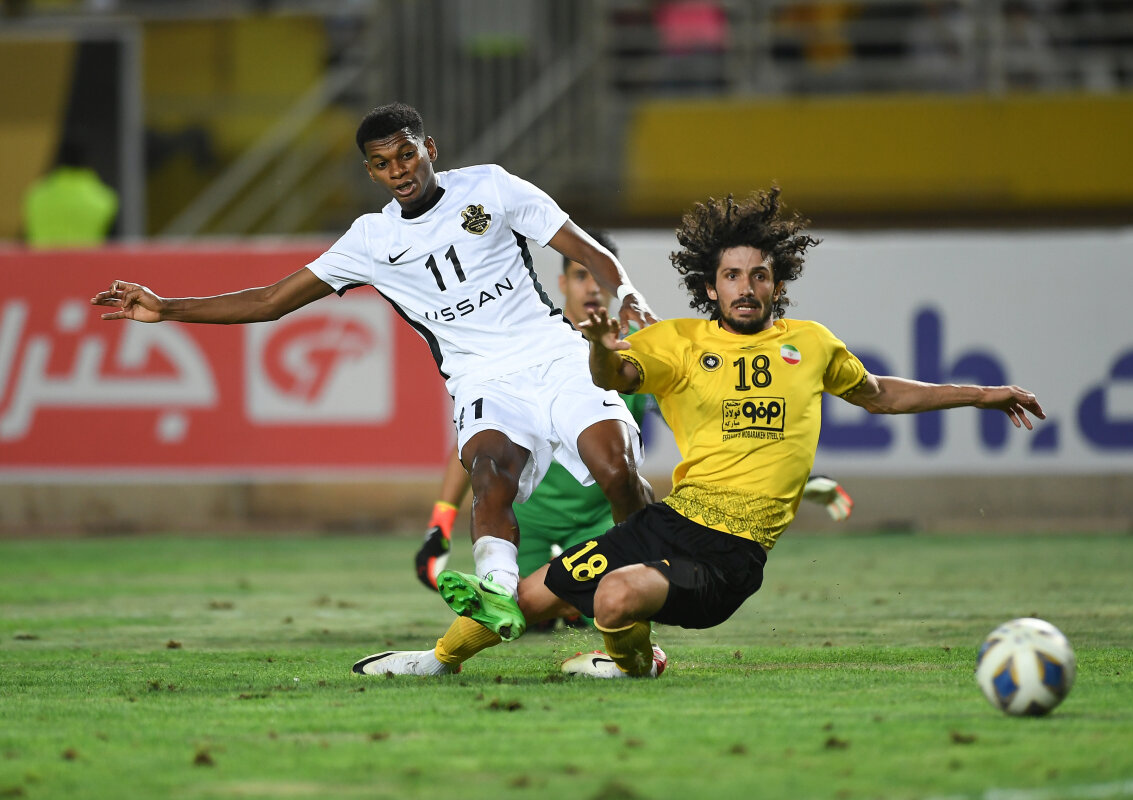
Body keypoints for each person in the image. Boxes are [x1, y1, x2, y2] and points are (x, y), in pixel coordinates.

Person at [351, 186, 1043, 679]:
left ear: (776, 285)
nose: (746, 286)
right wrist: (598, 347)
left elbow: (881, 394)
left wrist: (982, 394)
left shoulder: (812, 345)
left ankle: (633, 662)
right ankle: (438, 661)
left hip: (730, 556)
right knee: (527, 599)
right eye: (732, 276)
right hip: (670, 524)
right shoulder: (678, 343)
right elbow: (618, 375)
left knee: (616, 594)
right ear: (710, 287)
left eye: (759, 276)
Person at [90, 103, 658, 644]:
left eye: (407, 155)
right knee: (489, 476)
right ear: (370, 171)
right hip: (483, 381)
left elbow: (585, 249)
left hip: (554, 355)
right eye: (383, 164)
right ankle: (498, 594)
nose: (399, 171)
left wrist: (627, 292)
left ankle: (648, 577)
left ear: (429, 148)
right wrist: (167, 308)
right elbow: (270, 301)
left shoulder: (490, 186)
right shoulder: (370, 240)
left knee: (615, 469)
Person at [412, 232, 855, 633]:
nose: (591, 288)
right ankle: (475, 637)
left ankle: (615, 618)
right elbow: (477, 445)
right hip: (533, 518)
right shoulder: (533, 348)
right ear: (562, 283)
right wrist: (441, 519)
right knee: (515, 616)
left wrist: (796, 480)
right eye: (580, 276)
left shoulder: (643, 346)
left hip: (601, 517)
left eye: (597, 277)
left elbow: (718, 422)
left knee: (609, 607)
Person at [22, 140, 119, 249]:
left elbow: (26, 238)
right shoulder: (105, 199)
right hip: (86, 259)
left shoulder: (35, 195)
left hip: (42, 260)